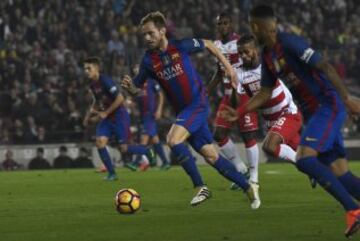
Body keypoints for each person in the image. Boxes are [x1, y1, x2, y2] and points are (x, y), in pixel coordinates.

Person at [227, 5, 360, 237]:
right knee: (340, 172)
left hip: (327, 105)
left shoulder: (289, 43)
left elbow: (324, 66)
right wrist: (239, 112)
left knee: (304, 159)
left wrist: (347, 98)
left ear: (256, 26)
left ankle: (353, 210)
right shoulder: (269, 56)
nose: (251, 29)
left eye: (251, 25)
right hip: (313, 114)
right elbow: (265, 92)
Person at [122, 11, 259, 208]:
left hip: (198, 104)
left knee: (172, 139)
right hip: (184, 112)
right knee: (211, 156)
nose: (147, 38)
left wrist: (228, 68)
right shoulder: (148, 61)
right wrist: (131, 89)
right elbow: (137, 89)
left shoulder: (181, 45)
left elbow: (210, 45)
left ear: (162, 31)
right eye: (144, 35)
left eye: (150, 33)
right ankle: (248, 188)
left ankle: (200, 186)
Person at [221, 34, 302, 164]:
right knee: (304, 154)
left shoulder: (268, 65)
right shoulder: (239, 73)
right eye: (240, 53)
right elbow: (236, 103)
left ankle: (305, 164)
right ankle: (313, 168)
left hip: (287, 113)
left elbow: (266, 95)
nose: (243, 55)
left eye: (246, 51)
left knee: (269, 147)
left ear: (256, 50)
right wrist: (234, 86)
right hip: (271, 121)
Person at [208, 12, 260, 190]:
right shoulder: (215, 45)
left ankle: (254, 177)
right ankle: (241, 169)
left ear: (231, 25)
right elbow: (219, 69)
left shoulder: (239, 43)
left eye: (225, 23)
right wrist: (208, 89)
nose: (222, 26)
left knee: (248, 136)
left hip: (243, 93)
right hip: (227, 95)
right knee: (219, 135)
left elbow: (252, 61)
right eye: (219, 24)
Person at [83, 57, 156, 181]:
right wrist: (88, 116)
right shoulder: (92, 84)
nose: (86, 71)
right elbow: (97, 100)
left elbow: (121, 98)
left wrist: (106, 112)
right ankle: (112, 174)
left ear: (97, 68)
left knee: (124, 149)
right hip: (107, 118)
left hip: (119, 116)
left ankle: (147, 151)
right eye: (85, 68)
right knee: (100, 142)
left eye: (89, 68)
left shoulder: (105, 81)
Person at [125, 64, 171, 171]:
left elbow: (160, 94)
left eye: (137, 69)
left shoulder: (151, 81)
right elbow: (137, 98)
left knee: (144, 139)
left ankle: (136, 163)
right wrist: (132, 104)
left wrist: (159, 109)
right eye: (134, 70)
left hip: (150, 114)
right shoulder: (137, 84)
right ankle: (165, 162)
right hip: (143, 115)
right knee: (155, 139)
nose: (136, 71)